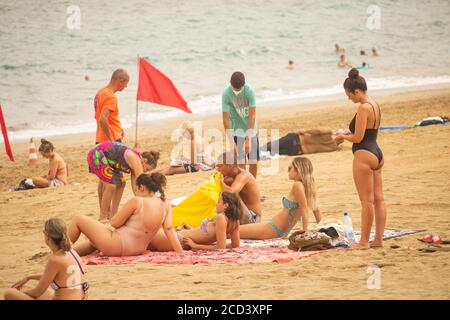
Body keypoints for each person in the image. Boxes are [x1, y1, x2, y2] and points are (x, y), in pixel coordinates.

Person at [68, 173, 183, 256]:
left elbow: (115, 223)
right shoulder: (165, 204)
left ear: (141, 187)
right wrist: (180, 253)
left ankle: (61, 251)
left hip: (118, 246)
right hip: (138, 249)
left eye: (136, 190)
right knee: (93, 243)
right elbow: (169, 229)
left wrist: (101, 226)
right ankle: (70, 254)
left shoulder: (137, 201)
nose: (136, 193)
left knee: (78, 219)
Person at [337, 68, 387, 249]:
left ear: (356, 91)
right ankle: (378, 240)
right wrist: (347, 133)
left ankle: (364, 241)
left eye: (349, 95)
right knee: (379, 199)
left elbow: (357, 138)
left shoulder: (363, 107)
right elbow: (366, 133)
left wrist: (342, 137)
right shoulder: (374, 104)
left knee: (366, 201)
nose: (349, 98)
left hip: (364, 155)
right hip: (376, 153)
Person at [4, 218, 88, 300]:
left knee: (9, 293)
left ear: (47, 236)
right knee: (39, 291)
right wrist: (29, 277)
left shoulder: (55, 259)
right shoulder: (72, 252)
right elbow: (53, 276)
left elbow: (37, 292)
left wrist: (21, 294)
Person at [240, 157, 321, 239]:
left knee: (233, 231)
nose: (288, 171)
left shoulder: (297, 185)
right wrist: (320, 228)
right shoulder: (308, 187)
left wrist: (305, 234)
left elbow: (305, 211)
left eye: (290, 168)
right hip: (278, 230)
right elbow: (316, 209)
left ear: (298, 170)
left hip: (272, 229)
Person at [87, 141, 159, 221]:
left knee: (121, 184)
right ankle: (103, 217)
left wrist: (142, 201)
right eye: (147, 169)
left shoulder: (137, 164)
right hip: (97, 153)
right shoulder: (136, 160)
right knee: (111, 186)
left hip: (111, 161)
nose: (145, 171)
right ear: (144, 161)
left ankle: (113, 216)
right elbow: (142, 181)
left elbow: (136, 188)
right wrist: (152, 196)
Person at [148, 192, 242, 251]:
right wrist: (191, 229)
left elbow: (221, 247)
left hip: (179, 239)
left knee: (146, 231)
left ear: (226, 205)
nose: (216, 204)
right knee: (146, 241)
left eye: (218, 202)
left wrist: (196, 245)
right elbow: (235, 245)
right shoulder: (235, 222)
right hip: (180, 238)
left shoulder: (221, 218)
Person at [222, 71, 259, 178]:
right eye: (234, 89)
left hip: (250, 129)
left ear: (244, 85)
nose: (236, 91)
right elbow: (225, 119)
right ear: (230, 83)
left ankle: (253, 185)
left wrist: (248, 139)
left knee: (253, 161)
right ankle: (243, 188)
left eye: (239, 89)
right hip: (236, 130)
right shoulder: (226, 94)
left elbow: (252, 116)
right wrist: (231, 142)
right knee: (241, 161)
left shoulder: (249, 91)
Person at [215, 152, 262, 224]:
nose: (218, 169)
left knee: (229, 196)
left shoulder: (244, 175)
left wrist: (221, 182)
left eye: (220, 166)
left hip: (253, 218)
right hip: (243, 215)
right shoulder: (229, 178)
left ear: (229, 166)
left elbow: (232, 192)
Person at [264, 127, 344, 156]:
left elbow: (316, 130)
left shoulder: (329, 132)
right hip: (298, 150)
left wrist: (303, 131)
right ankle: (254, 153)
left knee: (269, 147)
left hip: (296, 140)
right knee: (271, 151)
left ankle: (253, 152)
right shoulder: (333, 148)